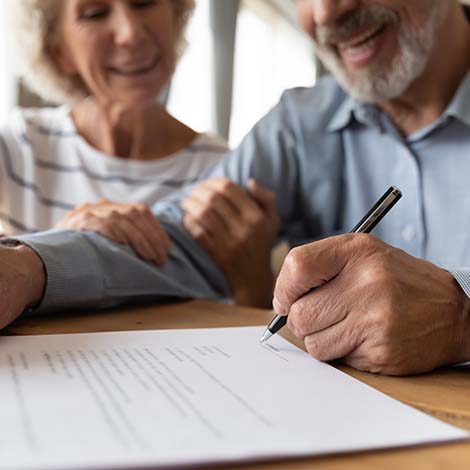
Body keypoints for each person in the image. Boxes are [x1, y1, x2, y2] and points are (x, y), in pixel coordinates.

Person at [2, 0, 470, 376]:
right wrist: (29, 268)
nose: (326, 11)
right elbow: (179, 241)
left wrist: (461, 316)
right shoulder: (298, 125)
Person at [0, 0, 228, 265]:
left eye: (144, 2)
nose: (130, 32)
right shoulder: (17, 145)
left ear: (176, 16)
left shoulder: (223, 171)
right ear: (60, 50)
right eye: (95, 14)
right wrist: (58, 247)